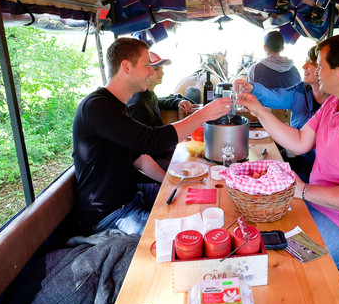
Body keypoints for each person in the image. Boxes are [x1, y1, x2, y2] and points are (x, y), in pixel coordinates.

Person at [238, 34, 339, 268]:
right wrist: (259, 111)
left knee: (281, 265)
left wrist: (303, 190)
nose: (316, 72)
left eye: (321, 66)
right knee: (256, 235)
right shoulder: (332, 104)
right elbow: (299, 141)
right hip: (318, 203)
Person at [72, 38, 232, 236]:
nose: (151, 71)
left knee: (199, 200)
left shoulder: (119, 105)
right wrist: (203, 115)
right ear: (126, 67)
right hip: (109, 214)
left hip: (133, 196)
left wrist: (169, 181)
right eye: (147, 65)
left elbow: (137, 156)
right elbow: (152, 141)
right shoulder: (96, 107)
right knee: (186, 235)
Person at [234, 45, 329, 181]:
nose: (304, 66)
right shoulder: (301, 90)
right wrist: (252, 88)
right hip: (294, 157)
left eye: (311, 63)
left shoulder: (336, 104)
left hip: (318, 171)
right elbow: (274, 96)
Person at [127, 51, 195, 170]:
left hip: (161, 151)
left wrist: (177, 101)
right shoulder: (137, 105)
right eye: (157, 69)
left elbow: (160, 100)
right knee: (191, 167)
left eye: (161, 69)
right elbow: (142, 153)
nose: (162, 73)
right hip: (151, 162)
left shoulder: (149, 95)